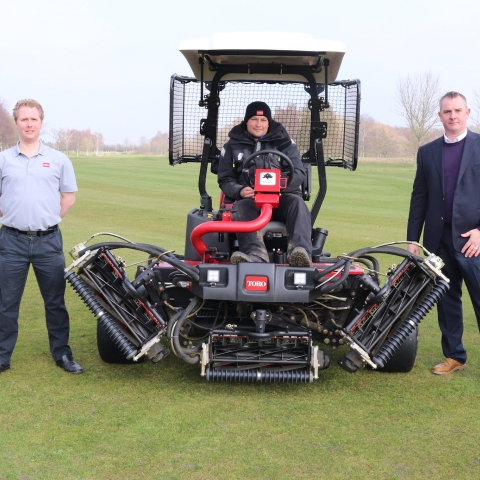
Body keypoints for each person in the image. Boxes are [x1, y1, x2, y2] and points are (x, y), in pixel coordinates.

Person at [0, 99, 83, 374]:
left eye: (33, 119)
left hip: (48, 241)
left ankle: (62, 354)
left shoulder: (58, 159)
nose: (29, 124)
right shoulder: (3, 159)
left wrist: (49, 220)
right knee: (6, 303)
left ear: (41, 122)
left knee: (55, 302)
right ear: (17, 123)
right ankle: (2, 357)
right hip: (11, 242)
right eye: (24, 119)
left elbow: (68, 198)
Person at [407, 91, 480, 375]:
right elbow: (419, 198)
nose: (453, 116)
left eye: (458, 111)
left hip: (472, 241)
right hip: (438, 240)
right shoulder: (427, 152)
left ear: (467, 113)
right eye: (447, 112)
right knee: (447, 299)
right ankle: (454, 356)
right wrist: (413, 239)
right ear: (440, 115)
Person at [217, 101, 312, 267]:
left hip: (283, 197)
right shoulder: (232, 145)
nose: (258, 124)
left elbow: (298, 172)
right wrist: (240, 191)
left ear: (269, 122)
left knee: (297, 204)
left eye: (263, 120)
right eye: (254, 119)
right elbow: (225, 179)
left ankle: (299, 252)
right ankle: (255, 255)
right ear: (246, 121)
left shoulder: (285, 143)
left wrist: (280, 188)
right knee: (240, 208)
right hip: (250, 200)